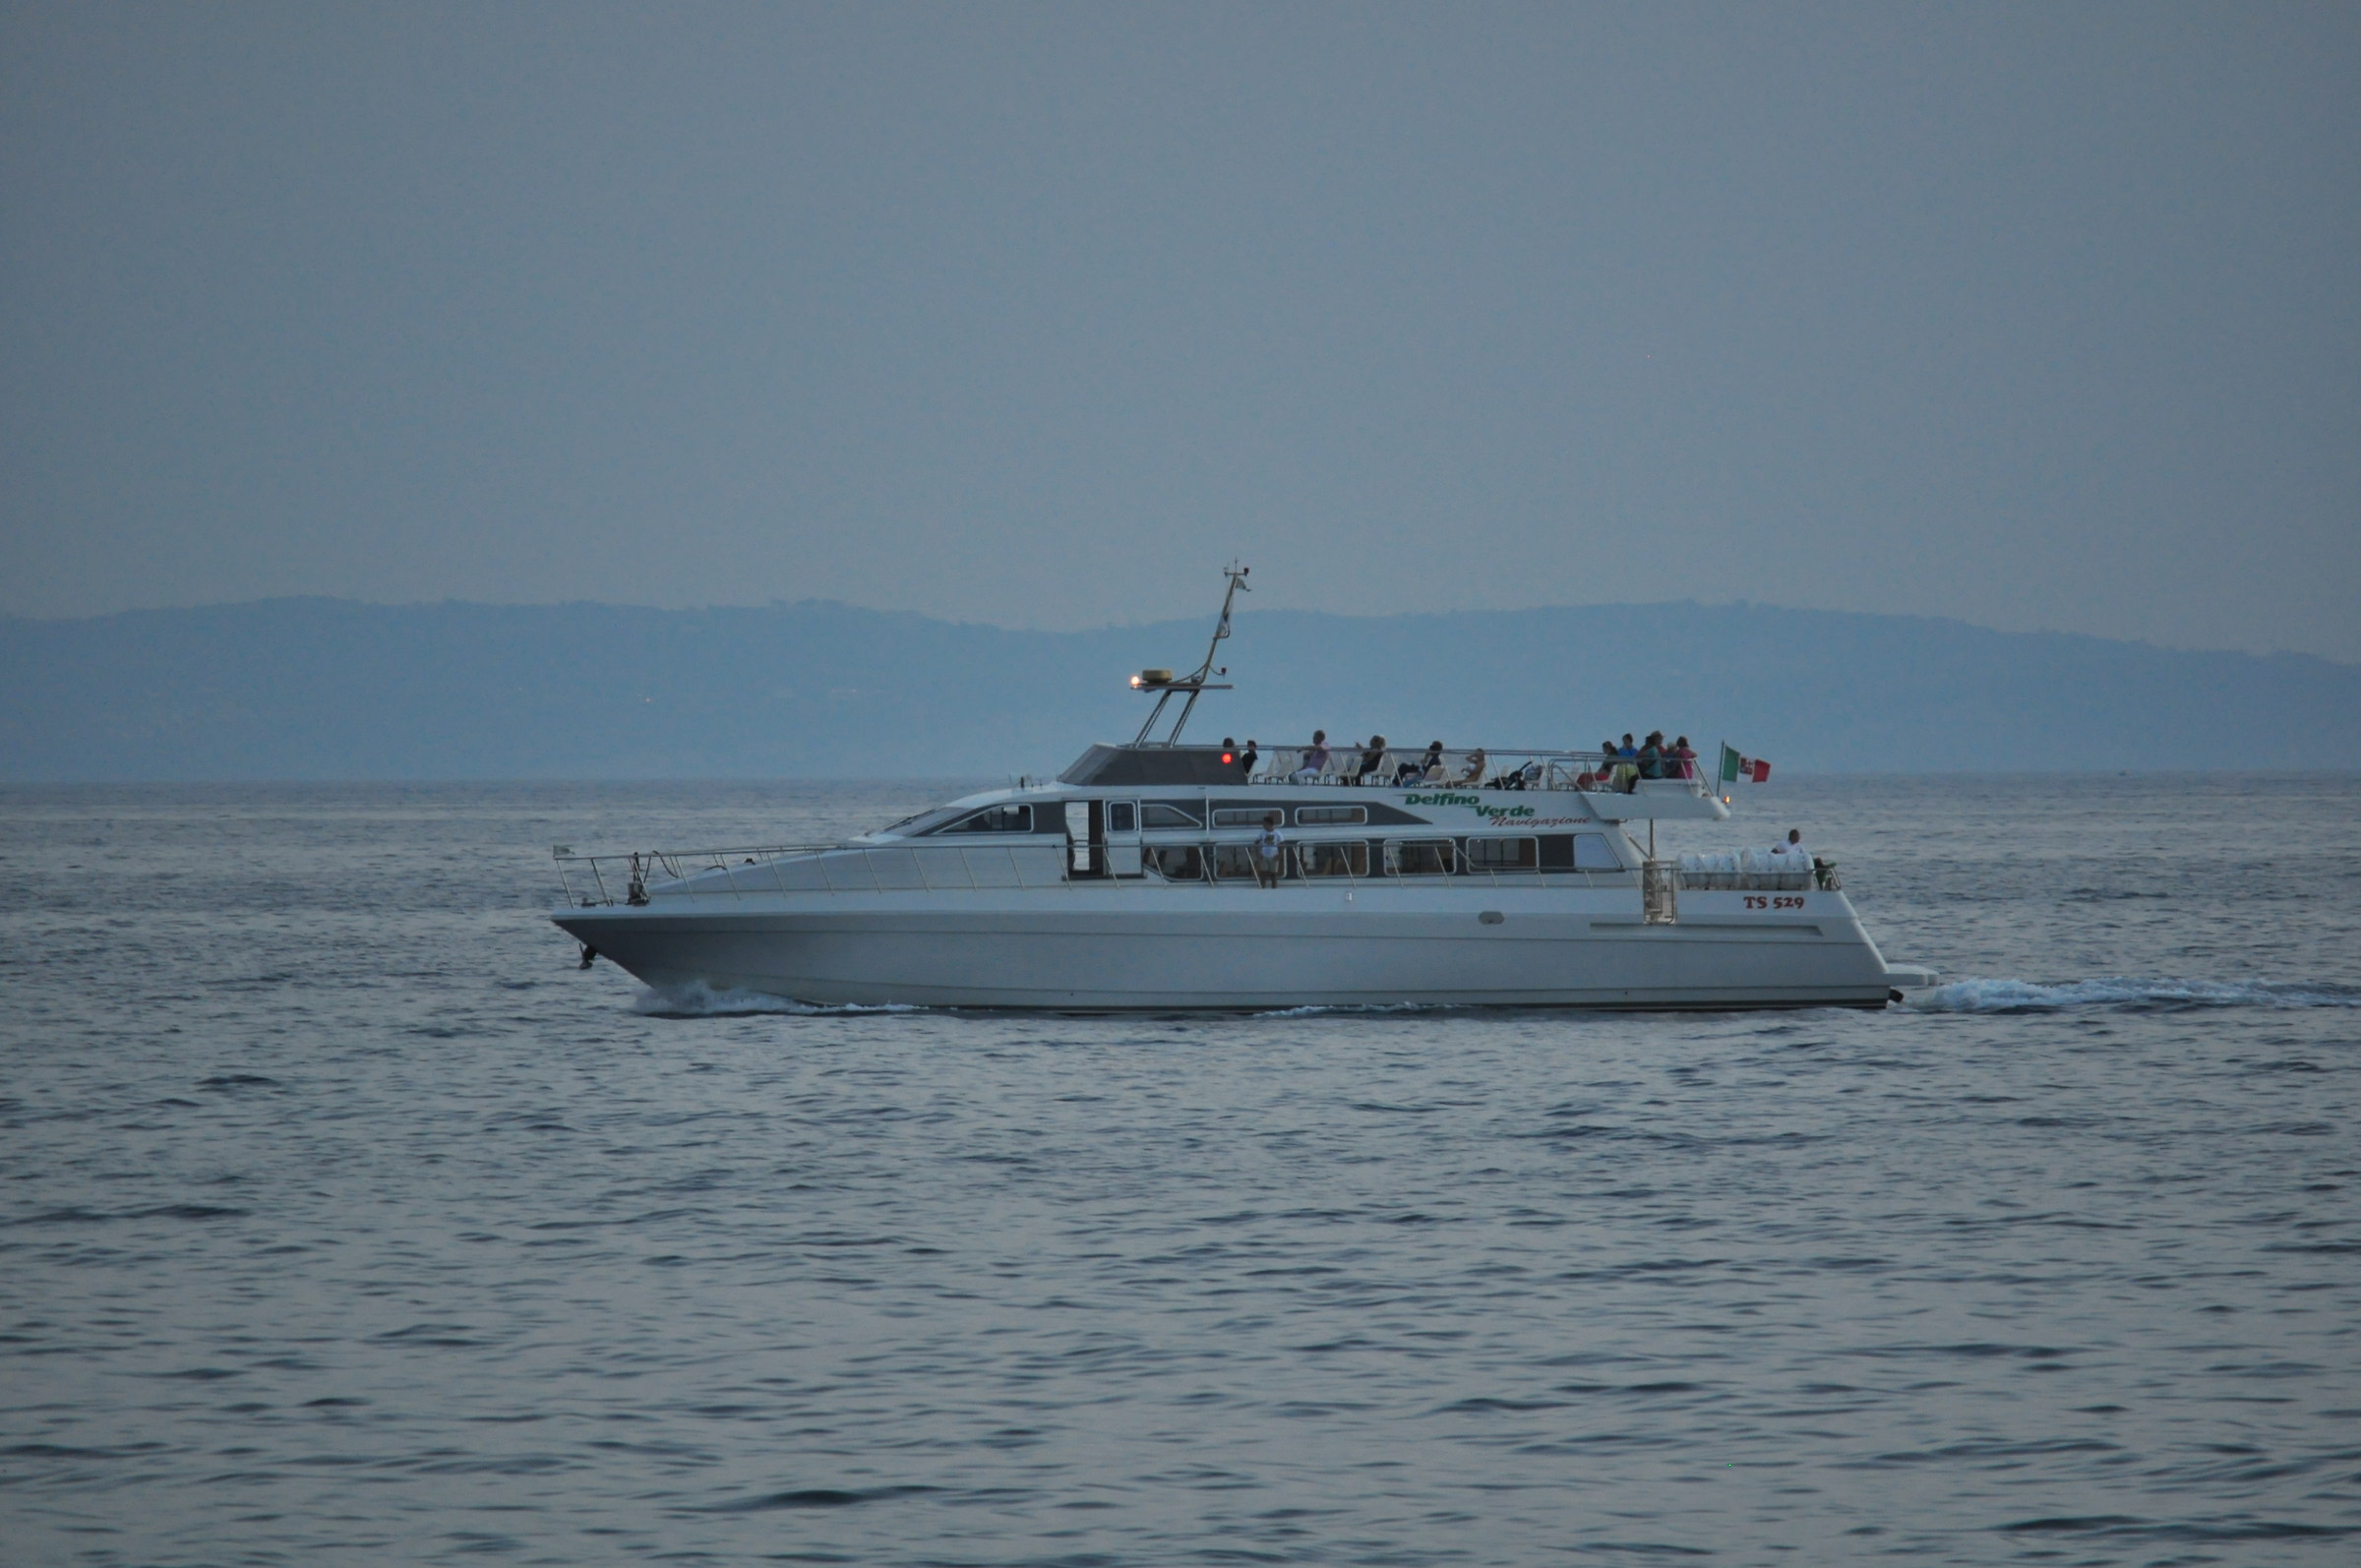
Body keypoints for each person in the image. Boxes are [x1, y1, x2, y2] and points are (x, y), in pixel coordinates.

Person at [1253, 812, 1285, 888]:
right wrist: (1258, 853)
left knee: (1273, 873)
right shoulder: (1262, 833)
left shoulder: (1277, 833)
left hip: (1274, 855)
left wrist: (1279, 855)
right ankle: (1262, 886)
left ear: (1268, 824)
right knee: (1263, 872)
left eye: (1264, 823)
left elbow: (1283, 845)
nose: (1263, 825)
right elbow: (1257, 842)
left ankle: (1274, 887)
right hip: (1264, 855)